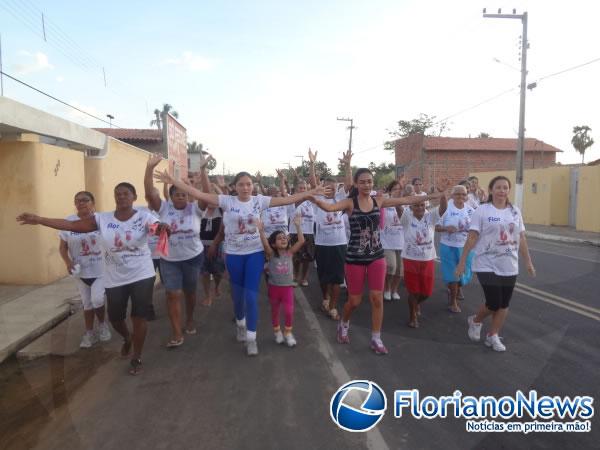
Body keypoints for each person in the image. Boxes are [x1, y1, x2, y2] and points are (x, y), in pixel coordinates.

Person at [153, 168, 327, 356]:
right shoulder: (227, 201)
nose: (245, 187)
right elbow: (198, 193)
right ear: (235, 187)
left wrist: (309, 193)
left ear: (253, 186)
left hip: (254, 253)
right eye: (241, 184)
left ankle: (252, 339)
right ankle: (240, 324)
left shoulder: (259, 201)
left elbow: (287, 200)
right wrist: (173, 180)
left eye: (249, 184)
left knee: (251, 296)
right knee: (238, 297)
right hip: (234, 255)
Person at [18, 182, 169, 375]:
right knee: (115, 317)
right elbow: (72, 225)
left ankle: (136, 357)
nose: (121, 197)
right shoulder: (102, 219)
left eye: (125, 193)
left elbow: (156, 227)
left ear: (134, 197)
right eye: (117, 194)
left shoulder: (144, 216)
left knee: (139, 316)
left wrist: (162, 228)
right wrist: (39, 219)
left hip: (142, 273)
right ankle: (127, 338)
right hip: (114, 277)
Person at [311, 168, 443, 354]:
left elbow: (407, 200)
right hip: (355, 258)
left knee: (376, 298)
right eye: (363, 181)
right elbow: (329, 208)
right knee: (354, 301)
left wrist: (440, 194)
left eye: (370, 181)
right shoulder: (349, 203)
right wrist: (313, 197)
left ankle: (376, 338)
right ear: (356, 184)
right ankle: (344, 323)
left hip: (376, 256)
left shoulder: (378, 200)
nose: (367, 185)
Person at [456, 175, 535, 352]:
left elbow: (521, 237)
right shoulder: (482, 210)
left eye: (505, 187)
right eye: (498, 187)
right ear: (491, 190)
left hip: (509, 264)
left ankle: (493, 335)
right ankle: (476, 321)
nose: (502, 191)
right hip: (485, 262)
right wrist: (462, 262)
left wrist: (528, 262)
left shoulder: (515, 211)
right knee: (494, 301)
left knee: (504, 304)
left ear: (509, 190)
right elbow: (472, 237)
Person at [145, 154, 206, 347]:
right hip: (169, 259)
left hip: (193, 257)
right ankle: (177, 333)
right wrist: (148, 169)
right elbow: (150, 194)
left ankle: (190, 319)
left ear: (188, 195)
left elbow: (205, 194)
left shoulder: (195, 209)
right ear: (170, 196)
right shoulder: (163, 209)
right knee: (172, 294)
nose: (181, 196)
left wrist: (203, 171)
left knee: (190, 292)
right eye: (177, 194)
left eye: (184, 194)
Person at [58, 191, 111, 348]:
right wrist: (68, 262)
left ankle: (102, 325)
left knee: (97, 300)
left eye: (85, 200)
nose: (81, 203)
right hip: (80, 272)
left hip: (101, 270)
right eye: (77, 201)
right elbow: (62, 247)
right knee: (87, 304)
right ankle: (89, 333)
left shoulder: (101, 220)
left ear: (93, 202)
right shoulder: (69, 221)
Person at [400, 179, 450, 328]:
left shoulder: (431, 216)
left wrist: (442, 195)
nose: (420, 207)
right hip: (410, 259)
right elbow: (398, 208)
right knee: (413, 291)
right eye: (416, 205)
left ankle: (416, 305)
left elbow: (443, 208)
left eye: (422, 204)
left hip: (428, 259)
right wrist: (399, 195)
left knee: (426, 292)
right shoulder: (407, 217)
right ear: (411, 207)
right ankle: (412, 316)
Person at [310, 149, 353, 320]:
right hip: (322, 244)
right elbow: (313, 184)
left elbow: (349, 184)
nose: (332, 190)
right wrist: (312, 164)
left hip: (339, 244)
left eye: (334, 188)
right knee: (323, 277)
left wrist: (348, 166)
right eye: (328, 187)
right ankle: (325, 299)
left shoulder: (341, 199)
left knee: (336, 278)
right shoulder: (318, 200)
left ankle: (333, 307)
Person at [258, 215, 305, 347]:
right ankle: (277, 331)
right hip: (274, 288)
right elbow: (265, 243)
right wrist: (261, 231)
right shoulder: (271, 254)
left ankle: (288, 333)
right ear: (273, 244)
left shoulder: (290, 253)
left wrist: (298, 225)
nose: (283, 239)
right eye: (279, 238)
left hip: (287, 289)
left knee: (289, 311)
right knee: (275, 311)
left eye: (284, 237)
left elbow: (301, 241)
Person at [435, 185, 475, 313]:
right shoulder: (445, 208)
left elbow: (477, 227)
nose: (461, 197)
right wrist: (446, 228)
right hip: (448, 246)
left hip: (466, 247)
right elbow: (435, 226)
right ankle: (453, 302)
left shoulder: (470, 210)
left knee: (465, 275)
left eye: (464, 194)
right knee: (453, 276)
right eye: (458, 194)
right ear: (452, 195)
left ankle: (456, 288)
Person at [381, 180, 405, 302]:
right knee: (391, 266)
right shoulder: (384, 203)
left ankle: (394, 290)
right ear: (390, 191)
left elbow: (402, 216)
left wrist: (398, 205)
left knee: (400, 271)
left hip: (401, 242)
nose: (398, 191)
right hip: (387, 241)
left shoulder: (405, 204)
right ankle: (387, 288)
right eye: (395, 189)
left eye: (399, 189)